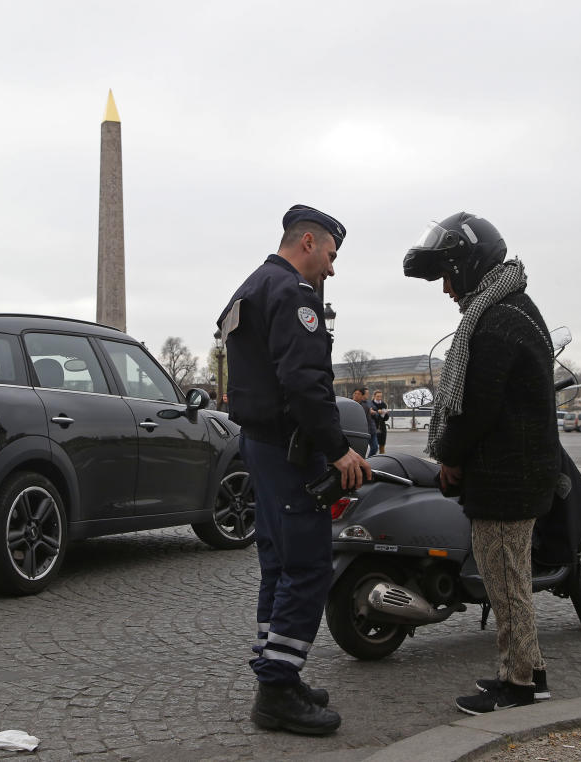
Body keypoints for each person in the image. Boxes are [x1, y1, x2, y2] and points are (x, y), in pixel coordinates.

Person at [218, 204, 371, 735]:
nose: (331, 268)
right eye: (330, 255)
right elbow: (305, 383)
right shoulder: (292, 295)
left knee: (278, 567)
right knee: (306, 567)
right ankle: (278, 690)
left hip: (259, 446)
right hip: (288, 450)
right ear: (308, 243)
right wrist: (338, 450)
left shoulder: (251, 287)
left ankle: (275, 671)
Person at [403, 212, 560, 715]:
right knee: (512, 581)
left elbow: (477, 407)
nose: (446, 287)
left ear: (468, 265)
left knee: (506, 583)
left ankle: (516, 686)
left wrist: (448, 456)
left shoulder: (495, 319)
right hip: (522, 472)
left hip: (505, 478)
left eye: (449, 273)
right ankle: (531, 673)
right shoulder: (514, 306)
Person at [351, 387, 378, 457]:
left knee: (374, 447)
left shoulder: (366, 406)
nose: (356, 395)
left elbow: (368, 420)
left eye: (358, 394)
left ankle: (367, 461)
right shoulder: (349, 404)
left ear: (361, 396)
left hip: (366, 431)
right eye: (355, 393)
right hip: (353, 431)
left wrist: (374, 413)